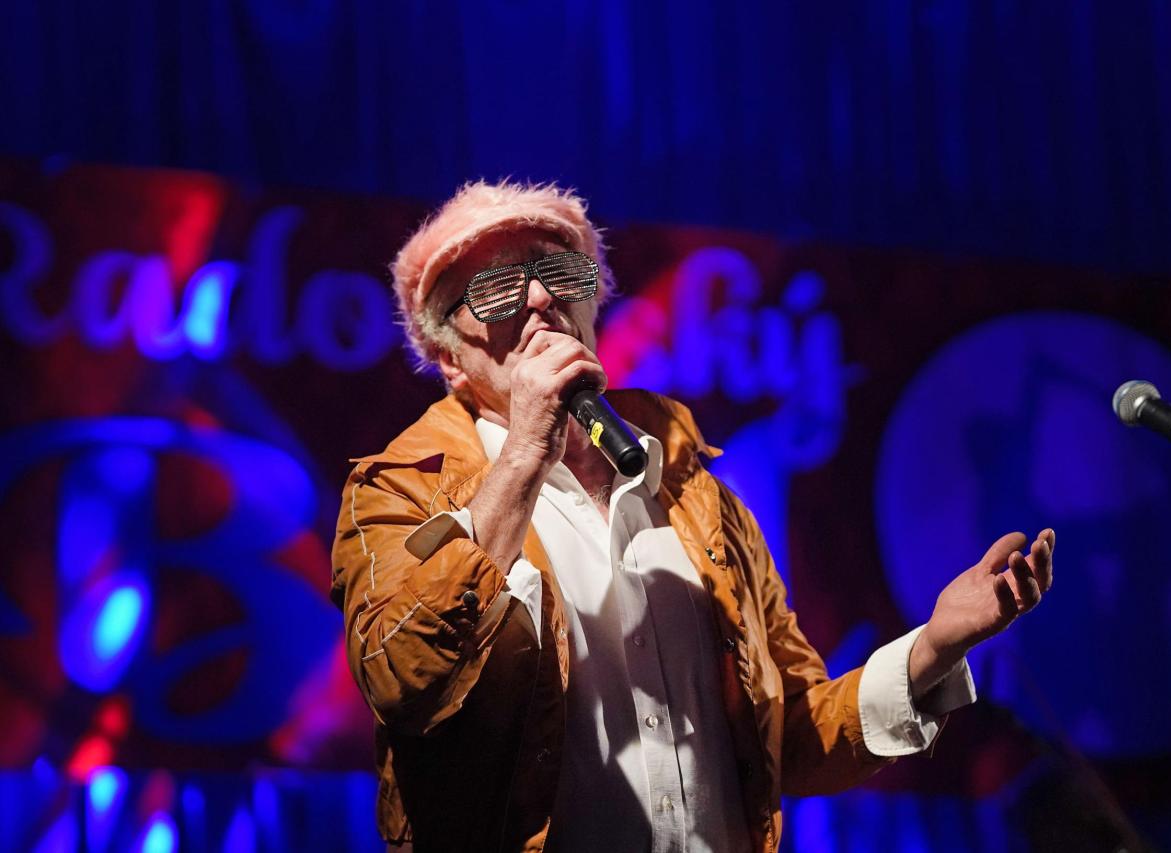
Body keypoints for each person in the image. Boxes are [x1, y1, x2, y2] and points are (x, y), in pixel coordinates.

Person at [330, 181, 1054, 852]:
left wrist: (934, 646)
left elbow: (788, 732)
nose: (541, 299)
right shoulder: (398, 490)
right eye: (494, 289)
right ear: (451, 360)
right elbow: (404, 679)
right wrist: (523, 454)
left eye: (561, 273)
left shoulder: (695, 491)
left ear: (592, 307)